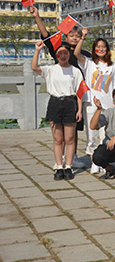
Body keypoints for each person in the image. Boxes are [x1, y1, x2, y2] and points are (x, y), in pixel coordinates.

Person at [31, 5, 88, 169]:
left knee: (73, 131)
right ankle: (61, 159)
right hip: (58, 98)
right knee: (59, 134)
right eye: (72, 35)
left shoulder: (83, 54)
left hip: (75, 95)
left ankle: (73, 157)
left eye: (78, 36)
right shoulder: (60, 49)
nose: (75, 38)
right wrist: (37, 16)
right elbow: (46, 35)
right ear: (66, 36)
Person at [31, 41, 83, 180]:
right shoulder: (51, 69)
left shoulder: (75, 71)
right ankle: (59, 167)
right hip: (55, 103)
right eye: (60, 53)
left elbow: (80, 92)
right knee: (57, 139)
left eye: (65, 53)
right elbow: (34, 67)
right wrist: (37, 50)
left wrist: (80, 110)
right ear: (56, 55)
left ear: (69, 54)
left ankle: (69, 166)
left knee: (69, 139)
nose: (63, 56)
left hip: (70, 103)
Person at [74, 27, 115, 174]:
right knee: (92, 134)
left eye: (103, 47)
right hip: (91, 104)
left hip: (107, 104)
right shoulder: (89, 63)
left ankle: (103, 161)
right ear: (94, 49)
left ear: (107, 49)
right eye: (98, 47)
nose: (101, 49)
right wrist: (83, 37)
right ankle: (94, 161)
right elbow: (76, 53)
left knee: (104, 135)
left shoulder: (112, 66)